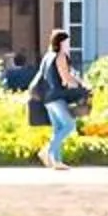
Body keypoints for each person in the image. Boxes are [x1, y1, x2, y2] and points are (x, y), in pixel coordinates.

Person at [24, 28, 87, 171]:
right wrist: (81, 85)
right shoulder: (60, 56)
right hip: (58, 97)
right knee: (70, 126)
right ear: (61, 42)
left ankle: (56, 161)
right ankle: (48, 151)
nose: (69, 44)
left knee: (58, 129)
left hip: (47, 98)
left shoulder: (47, 56)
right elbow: (66, 78)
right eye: (67, 41)